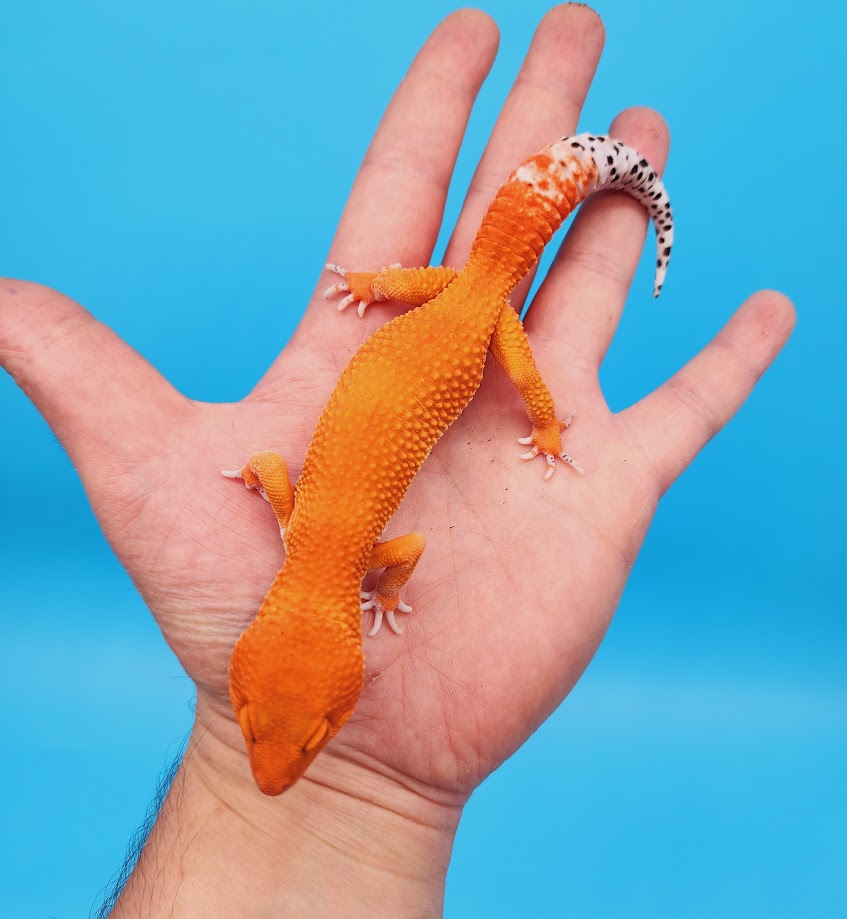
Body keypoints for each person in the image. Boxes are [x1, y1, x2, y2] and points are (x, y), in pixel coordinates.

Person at [0, 5, 794, 915]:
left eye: (268, 728)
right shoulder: (300, 527)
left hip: (472, 312)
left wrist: (535, 425)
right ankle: (569, 285)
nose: (279, 751)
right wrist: (377, 299)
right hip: (452, 304)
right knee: (489, 300)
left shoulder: (347, 551)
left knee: (522, 361)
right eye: (300, 734)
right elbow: (267, 465)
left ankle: (553, 384)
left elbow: (351, 521)